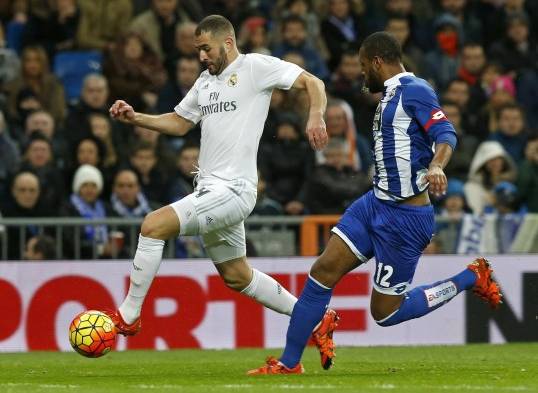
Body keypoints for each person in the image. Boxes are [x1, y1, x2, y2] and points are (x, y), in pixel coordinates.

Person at [248, 32, 502, 375]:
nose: (361, 72)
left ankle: (470, 278)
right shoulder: (389, 95)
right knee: (322, 272)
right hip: (374, 205)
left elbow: (446, 133)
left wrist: (437, 164)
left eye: (364, 65)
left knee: (385, 313)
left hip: (406, 218)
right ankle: (288, 363)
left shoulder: (415, 90)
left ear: (377, 62)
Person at [104, 15, 337, 370]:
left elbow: (313, 82)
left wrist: (315, 116)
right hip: (211, 188)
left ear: (227, 43)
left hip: (234, 189)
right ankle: (317, 320)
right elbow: (180, 122)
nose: (201, 56)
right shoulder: (205, 82)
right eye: (198, 50)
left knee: (153, 225)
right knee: (236, 276)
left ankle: (129, 315)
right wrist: (137, 118)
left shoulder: (255, 66)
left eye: (205, 49)